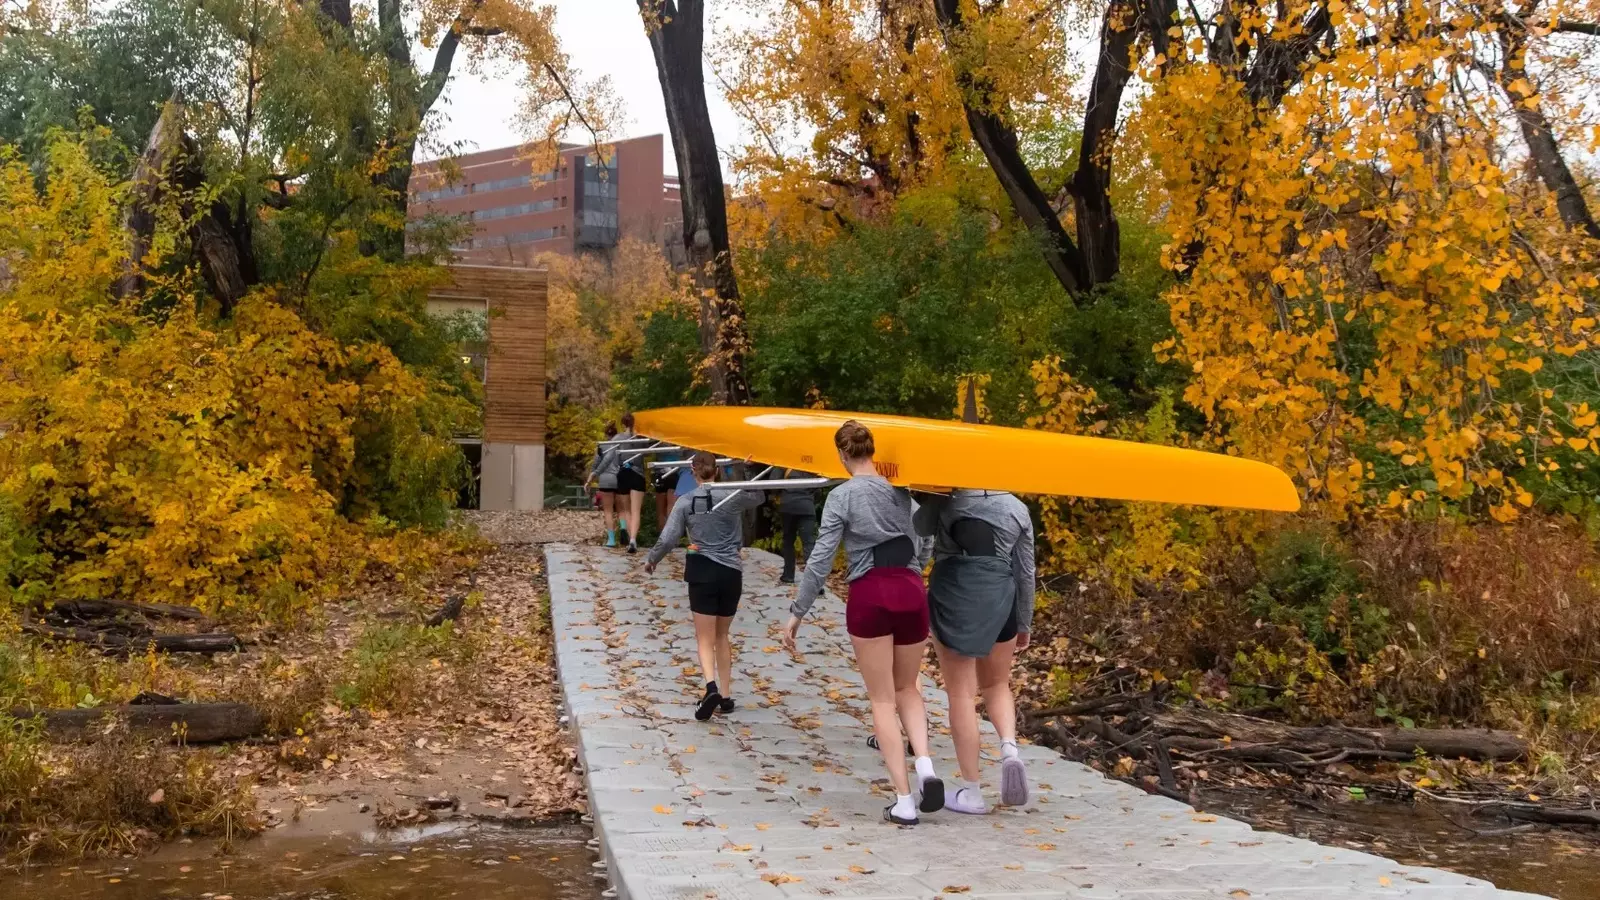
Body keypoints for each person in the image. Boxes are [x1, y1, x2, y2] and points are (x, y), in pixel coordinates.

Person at [782, 421, 945, 826]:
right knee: (909, 688)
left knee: (882, 700)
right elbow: (925, 540)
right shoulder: (903, 492)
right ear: (873, 452)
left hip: (870, 595)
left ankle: (904, 800)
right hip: (910, 591)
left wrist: (798, 611)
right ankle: (925, 764)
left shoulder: (842, 496)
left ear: (842, 454)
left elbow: (821, 556)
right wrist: (914, 571)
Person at [914, 489, 1036, 813]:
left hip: (956, 597)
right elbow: (1026, 571)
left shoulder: (949, 498)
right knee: (997, 685)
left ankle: (972, 792)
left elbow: (919, 526)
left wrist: (935, 494)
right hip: (1002, 599)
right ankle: (1009, 748)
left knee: (961, 695)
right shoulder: (1016, 508)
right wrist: (1024, 621)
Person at [645, 452, 765, 720]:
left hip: (701, 571)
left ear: (693, 471)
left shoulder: (686, 502)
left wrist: (652, 560)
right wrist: (744, 470)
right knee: (722, 636)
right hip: (731, 572)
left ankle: (710, 687)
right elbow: (759, 497)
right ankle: (725, 694)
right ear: (717, 471)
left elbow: (668, 538)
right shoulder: (732, 497)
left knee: (704, 638)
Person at [612, 413, 648, 553]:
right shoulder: (641, 438)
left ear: (623, 424)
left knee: (626, 510)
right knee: (635, 510)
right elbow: (648, 452)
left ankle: (629, 540)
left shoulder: (617, 438)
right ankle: (633, 539)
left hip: (623, 473)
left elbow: (614, 457)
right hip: (637, 474)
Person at [777, 469, 819, 585]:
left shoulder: (784, 463)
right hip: (807, 506)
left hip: (788, 505)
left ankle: (788, 575)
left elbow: (773, 482)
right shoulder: (811, 464)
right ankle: (814, 582)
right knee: (809, 543)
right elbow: (819, 486)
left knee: (788, 541)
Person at [585, 424, 621, 547]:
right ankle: (625, 533)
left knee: (608, 511)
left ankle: (611, 539)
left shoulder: (602, 446)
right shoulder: (622, 446)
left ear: (606, 435)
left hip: (606, 480)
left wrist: (591, 478)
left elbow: (595, 464)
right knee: (623, 509)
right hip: (620, 479)